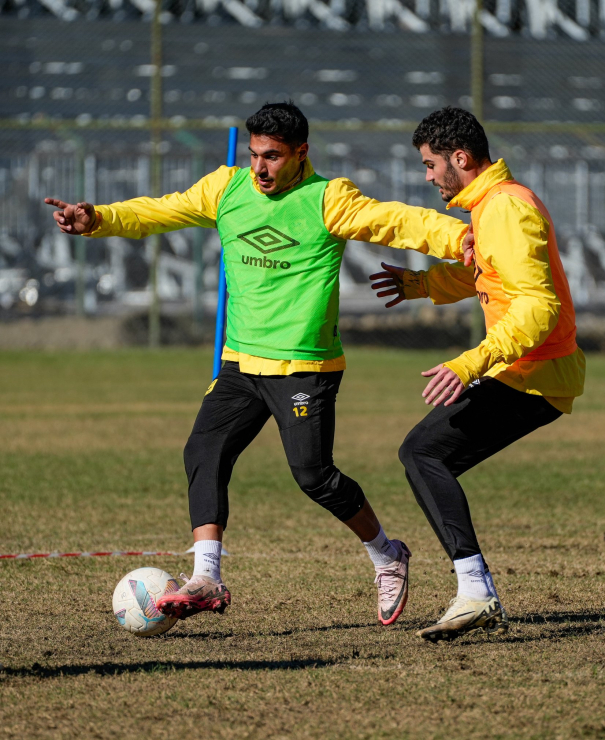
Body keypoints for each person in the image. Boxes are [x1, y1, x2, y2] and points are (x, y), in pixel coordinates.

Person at [45, 102, 469, 627]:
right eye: (254, 155)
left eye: (272, 157)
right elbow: (162, 210)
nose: (260, 168)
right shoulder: (227, 188)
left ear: (301, 154)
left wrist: (458, 238)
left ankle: (386, 553)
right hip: (241, 363)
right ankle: (206, 576)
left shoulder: (327, 198)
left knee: (313, 477)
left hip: (304, 367)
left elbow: (396, 220)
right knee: (203, 449)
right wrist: (100, 219)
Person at [369, 107, 586, 642]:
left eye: (429, 164)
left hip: (534, 374)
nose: (427, 176)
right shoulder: (493, 206)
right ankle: (475, 589)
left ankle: (476, 591)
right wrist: (423, 286)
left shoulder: (507, 208)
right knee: (427, 456)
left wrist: (469, 363)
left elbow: (539, 308)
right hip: (531, 374)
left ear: (459, 159)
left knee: (424, 453)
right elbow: (486, 272)